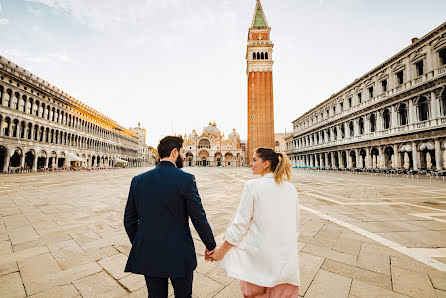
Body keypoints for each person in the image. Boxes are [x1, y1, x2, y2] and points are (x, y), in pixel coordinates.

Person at [123, 136, 216, 298]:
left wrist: (142, 243)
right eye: (182, 152)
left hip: (149, 252)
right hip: (179, 252)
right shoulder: (186, 179)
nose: (184, 156)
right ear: (174, 152)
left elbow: (129, 220)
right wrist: (210, 245)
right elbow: (198, 218)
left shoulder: (138, 180)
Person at [210, 148, 300, 298]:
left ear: (266, 163)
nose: (251, 163)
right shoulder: (291, 189)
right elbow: (295, 228)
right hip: (286, 265)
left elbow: (240, 226)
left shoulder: (252, 187)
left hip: (259, 265)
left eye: (255, 160)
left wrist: (221, 252)